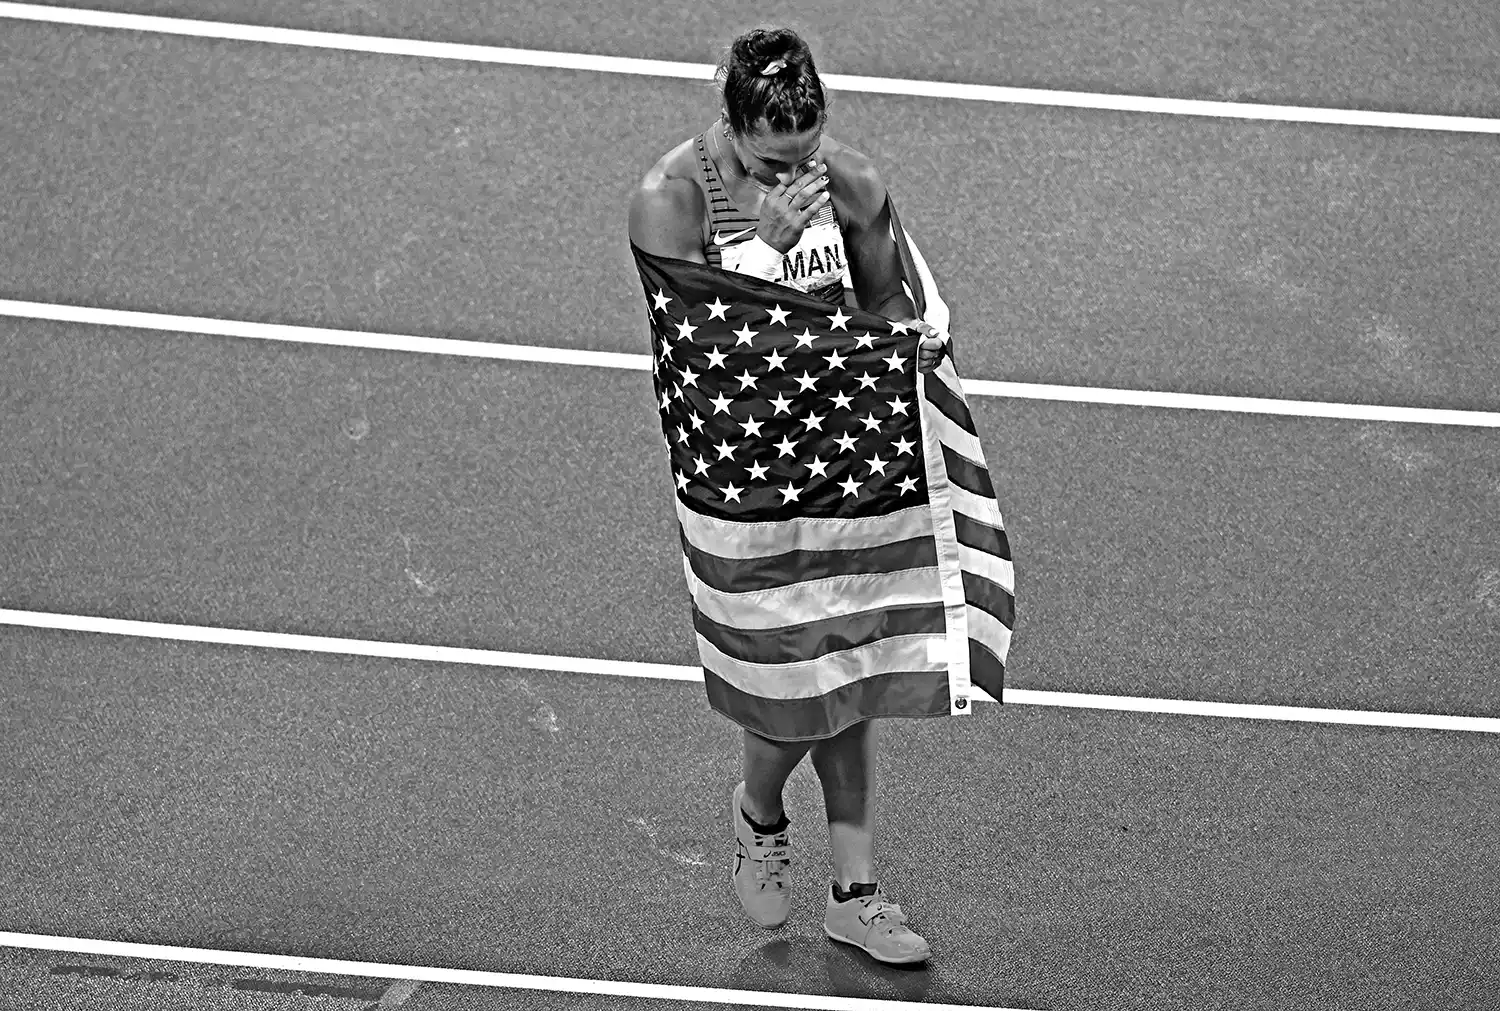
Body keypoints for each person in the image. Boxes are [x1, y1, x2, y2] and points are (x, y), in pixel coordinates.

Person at [627, 27, 951, 966]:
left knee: (849, 678)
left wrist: (916, 338)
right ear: (725, 124)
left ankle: (857, 891)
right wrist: (763, 253)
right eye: (776, 161)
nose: (798, 174)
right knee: (787, 695)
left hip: (844, 465)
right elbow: (695, 343)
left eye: (808, 152)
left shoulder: (847, 180)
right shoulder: (670, 199)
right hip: (739, 478)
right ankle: (759, 809)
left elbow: (891, 304)